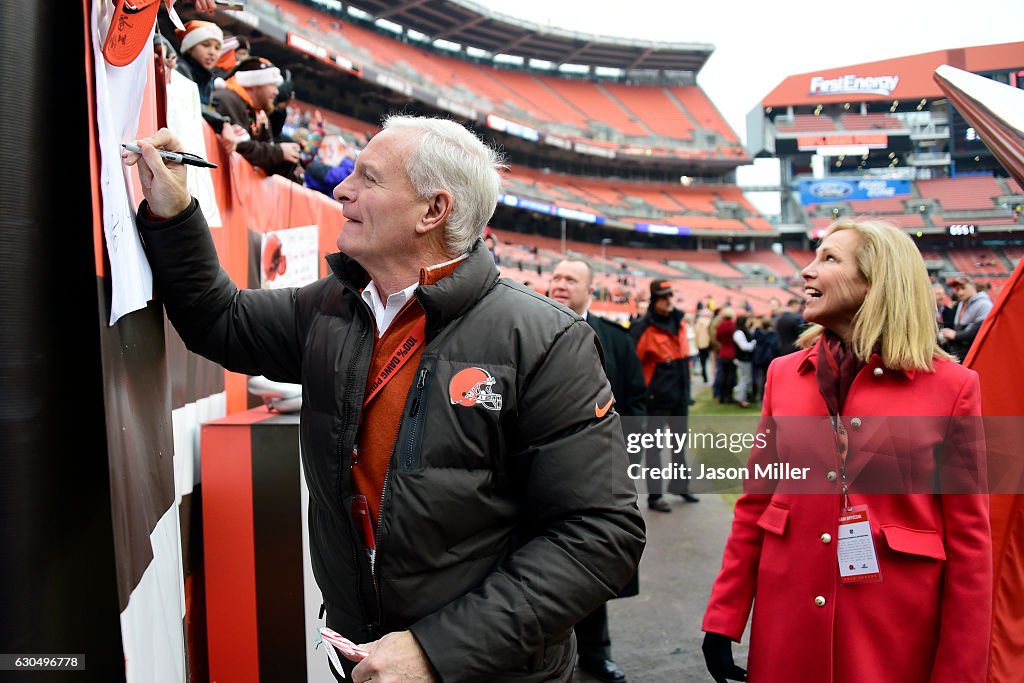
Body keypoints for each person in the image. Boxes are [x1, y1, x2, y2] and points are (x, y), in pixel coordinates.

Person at [122, 117, 645, 682]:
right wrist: (174, 212)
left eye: (367, 178)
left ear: (431, 210)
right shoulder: (330, 308)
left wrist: (435, 651)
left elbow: (599, 535)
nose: (341, 190)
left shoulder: (544, 339)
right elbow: (219, 321)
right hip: (363, 659)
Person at [701, 219, 991, 683]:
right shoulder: (782, 374)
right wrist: (725, 616)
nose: (806, 272)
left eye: (829, 258)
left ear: (877, 282)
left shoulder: (954, 389)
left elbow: (970, 545)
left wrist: (961, 670)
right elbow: (755, 503)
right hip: (787, 633)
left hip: (893, 642)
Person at [549, 258, 645, 683]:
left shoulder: (616, 341)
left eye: (571, 279)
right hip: (538, 471)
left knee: (591, 560)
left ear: (590, 290)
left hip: (599, 471)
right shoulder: (520, 327)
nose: (560, 284)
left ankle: (594, 652)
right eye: (555, 277)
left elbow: (637, 400)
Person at [631, 280, 699, 510]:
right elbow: (633, 365)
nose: (669, 300)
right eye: (663, 296)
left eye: (670, 295)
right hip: (656, 401)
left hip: (680, 397)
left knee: (679, 446)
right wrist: (642, 396)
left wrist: (686, 393)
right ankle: (655, 496)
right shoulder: (643, 327)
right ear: (654, 299)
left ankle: (680, 486)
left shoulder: (679, 320)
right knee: (654, 450)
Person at [212, 56, 301, 180]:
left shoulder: (260, 114)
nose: (276, 92)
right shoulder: (227, 100)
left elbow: (265, 146)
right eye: (273, 85)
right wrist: (279, 153)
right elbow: (241, 146)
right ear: (254, 84)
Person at [940, 275, 994, 363]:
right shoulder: (962, 303)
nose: (960, 292)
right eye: (957, 289)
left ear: (973, 286)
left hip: (975, 355)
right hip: (962, 353)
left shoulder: (984, 304)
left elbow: (980, 330)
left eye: (963, 288)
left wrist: (955, 335)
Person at [731, 315, 756, 409]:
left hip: (744, 358)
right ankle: (741, 398)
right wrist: (753, 344)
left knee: (744, 378)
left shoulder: (741, 331)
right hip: (743, 358)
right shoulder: (739, 332)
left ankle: (742, 397)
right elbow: (744, 347)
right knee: (744, 379)